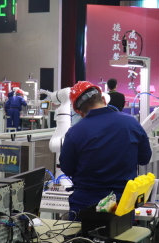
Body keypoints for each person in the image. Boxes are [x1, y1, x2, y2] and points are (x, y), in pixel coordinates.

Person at [59, 81, 152, 219]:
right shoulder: (131, 123)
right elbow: (144, 159)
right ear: (103, 99)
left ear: (79, 111)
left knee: (82, 234)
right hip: (122, 205)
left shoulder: (74, 132)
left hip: (86, 205)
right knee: (122, 232)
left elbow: (67, 168)